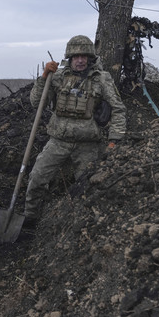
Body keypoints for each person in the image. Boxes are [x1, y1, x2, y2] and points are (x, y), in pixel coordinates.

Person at [22, 35, 126, 226]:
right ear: (69, 58)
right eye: (76, 56)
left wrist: (114, 140)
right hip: (58, 141)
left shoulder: (101, 79)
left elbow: (118, 109)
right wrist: (44, 77)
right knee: (37, 177)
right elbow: (36, 102)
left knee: (87, 185)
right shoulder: (58, 77)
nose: (80, 60)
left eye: (84, 56)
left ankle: (81, 223)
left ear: (90, 58)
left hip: (88, 145)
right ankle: (30, 219)